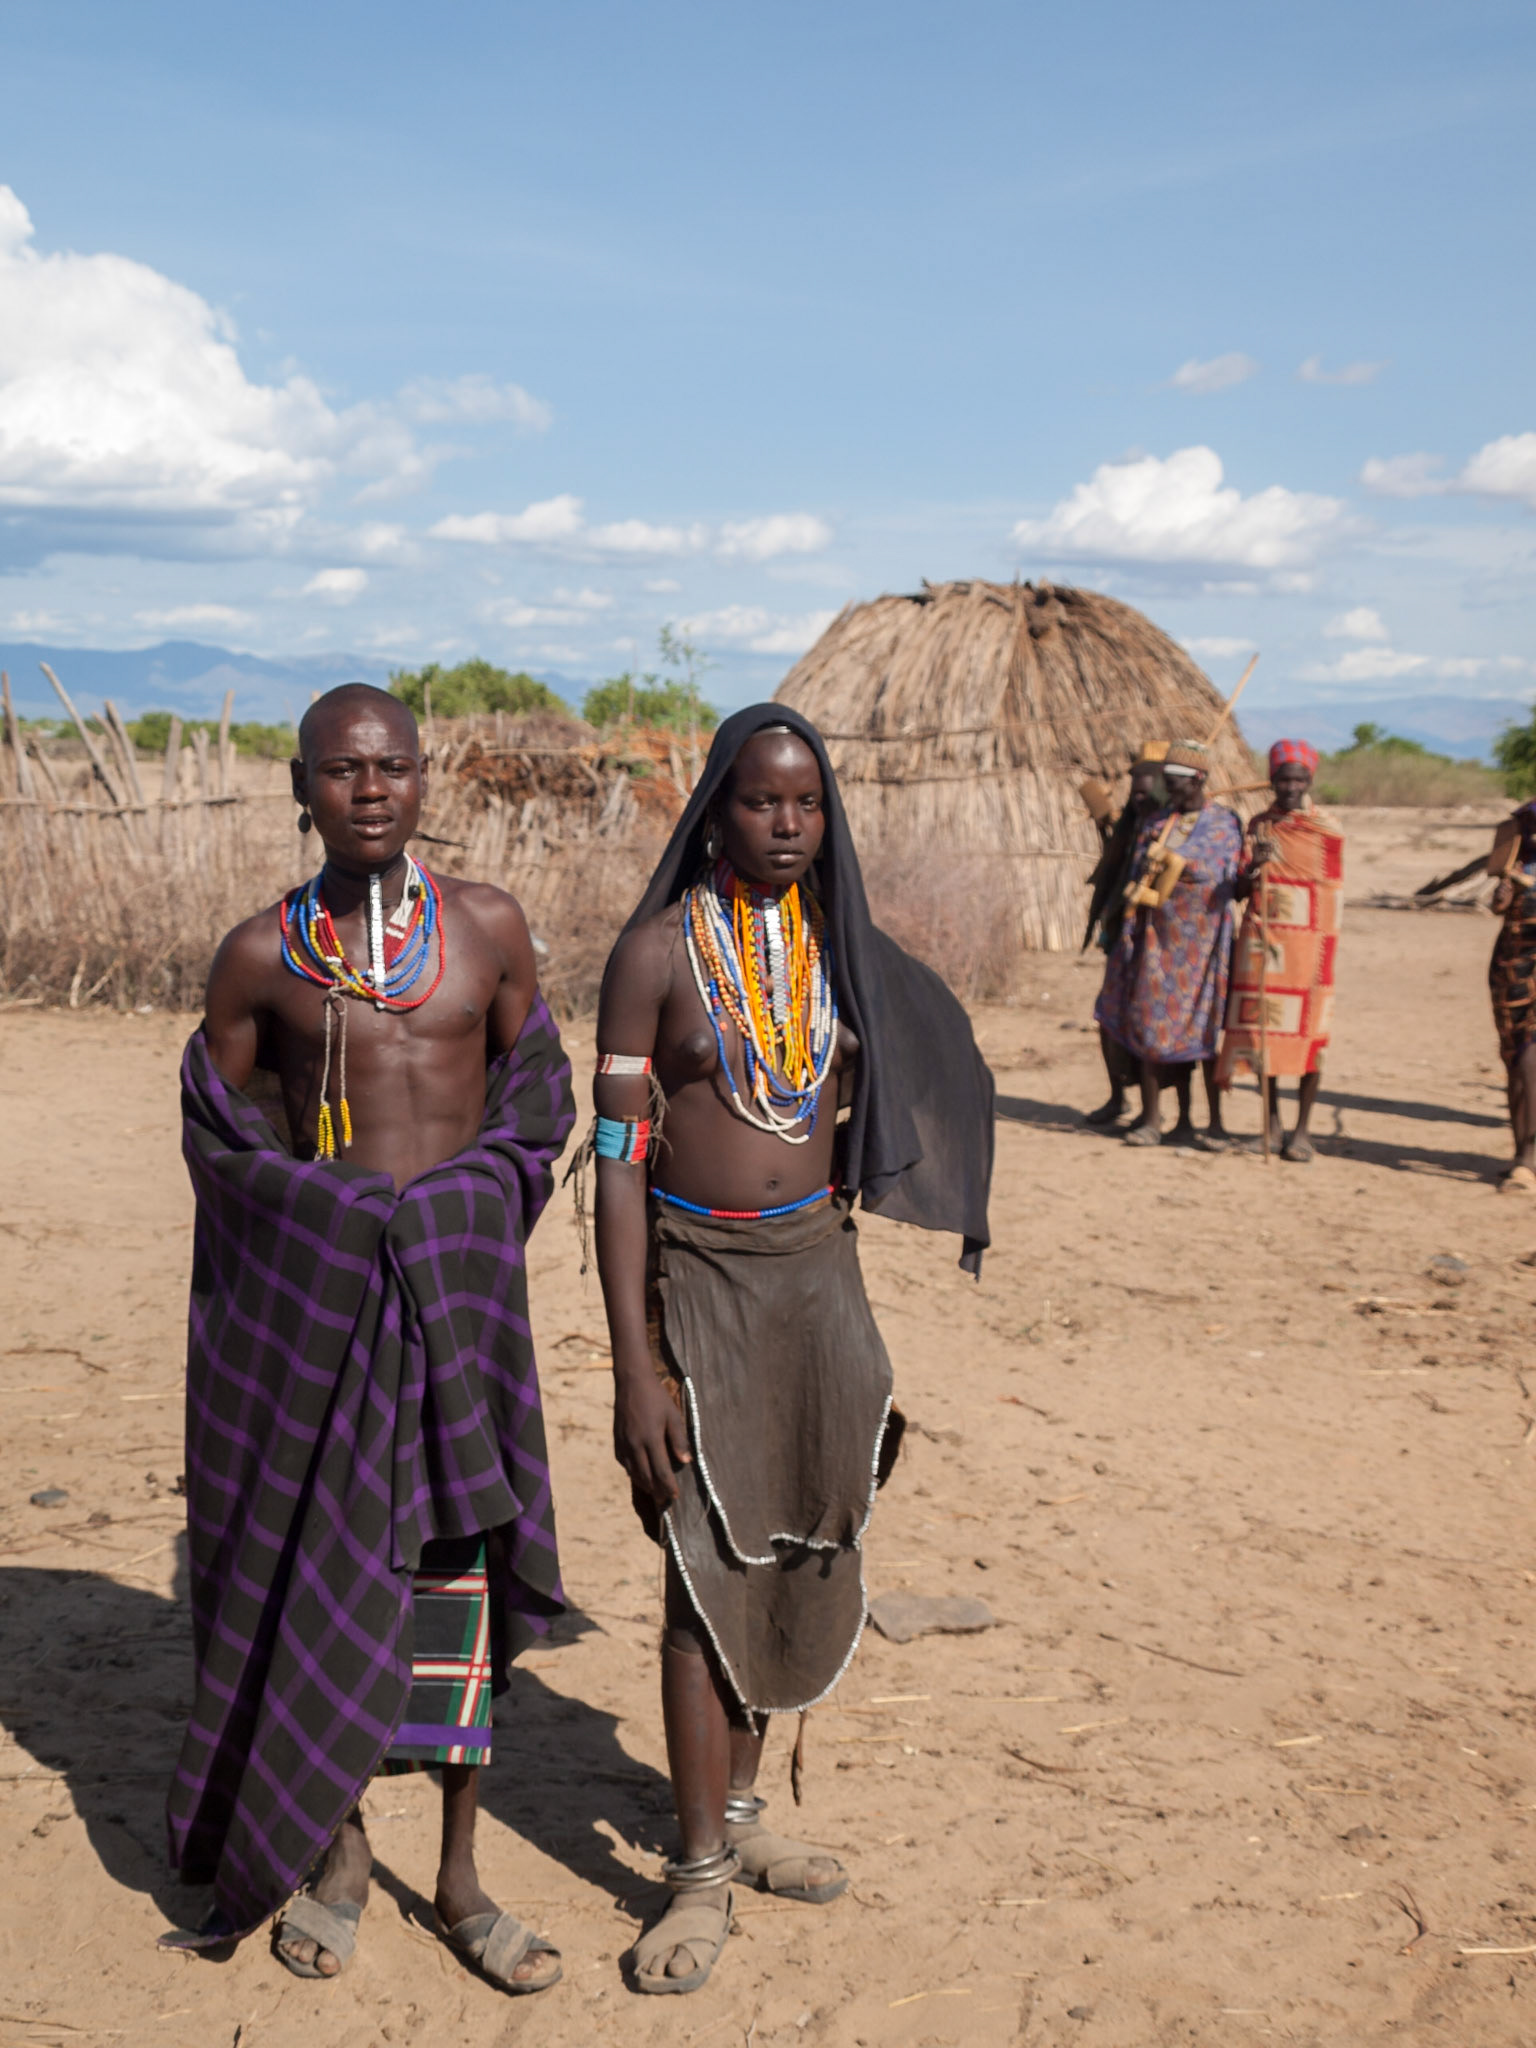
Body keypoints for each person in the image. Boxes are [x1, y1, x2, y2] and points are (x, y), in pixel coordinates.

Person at [160, 684, 574, 1996]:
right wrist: (336, 1221)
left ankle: (455, 1874)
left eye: (393, 767)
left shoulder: (489, 932)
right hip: (320, 1333)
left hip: (456, 1319)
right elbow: (222, 1140)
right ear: (302, 788)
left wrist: (454, 1210)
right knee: (315, 1578)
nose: (373, 790)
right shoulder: (258, 958)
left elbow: (537, 1099)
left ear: (426, 777)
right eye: (344, 772)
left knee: (453, 1587)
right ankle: (335, 1854)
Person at [590, 705, 993, 1995]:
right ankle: (697, 1873)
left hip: (820, 1278)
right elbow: (610, 1172)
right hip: (697, 1280)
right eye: (760, 800)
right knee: (701, 1566)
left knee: (807, 1540)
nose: (784, 823)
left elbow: (928, 1066)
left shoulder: (843, 955)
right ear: (713, 806)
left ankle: (747, 1821)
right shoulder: (655, 956)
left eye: (806, 804)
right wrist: (632, 1365)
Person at [1093, 738, 1242, 1149]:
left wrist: (1183, 866)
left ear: (1198, 780)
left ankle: (1209, 1123)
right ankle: (1153, 1118)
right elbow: (1137, 878)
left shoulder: (1224, 825)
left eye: (1176, 782)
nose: (1170, 789)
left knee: (1203, 1031)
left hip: (1203, 948)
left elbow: (1222, 876)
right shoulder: (1158, 826)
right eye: (1167, 781)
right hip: (1156, 944)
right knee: (1151, 1025)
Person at [1216, 740, 1344, 1162]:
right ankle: (1271, 1125)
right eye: (1283, 779)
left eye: (1299, 780)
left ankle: (1303, 1131)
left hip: (1310, 946)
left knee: (1310, 1037)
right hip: (1262, 941)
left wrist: (1319, 941)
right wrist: (1256, 867)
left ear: (1310, 781)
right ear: (1271, 781)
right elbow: (1238, 888)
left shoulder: (1326, 829)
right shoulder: (1257, 826)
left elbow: (1331, 893)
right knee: (1261, 1034)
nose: (1290, 787)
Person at [1081, 743, 1168, 1126]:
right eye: (1135, 779)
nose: (1140, 786)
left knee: (1151, 1020)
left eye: (1149, 779)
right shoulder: (1132, 824)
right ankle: (1117, 1096)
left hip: (1161, 943)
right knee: (1108, 1017)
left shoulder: (1169, 828)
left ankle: (1156, 1111)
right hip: (1121, 937)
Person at [1486, 794, 1536, 1190]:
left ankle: (1527, 1157)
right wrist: (1505, 894)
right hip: (1513, 970)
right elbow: (1499, 907)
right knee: (1515, 1060)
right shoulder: (1517, 861)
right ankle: (1521, 1151)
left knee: (1530, 1059)